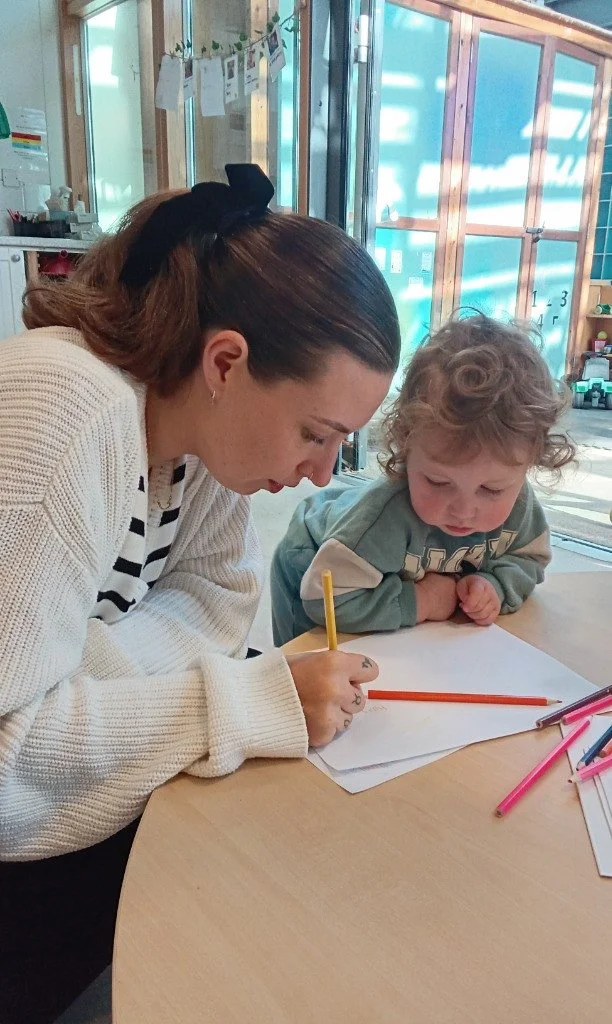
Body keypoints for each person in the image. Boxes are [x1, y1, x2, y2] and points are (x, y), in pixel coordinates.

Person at [0, 163, 400, 1024]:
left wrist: (82, 674)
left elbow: (218, 604)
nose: (320, 474)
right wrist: (247, 703)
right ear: (228, 360)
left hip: (77, 814)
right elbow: (6, 764)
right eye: (315, 433)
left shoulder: (197, 429)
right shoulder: (68, 411)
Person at [271, 313, 576, 646]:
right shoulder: (383, 518)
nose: (463, 511)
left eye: (491, 489)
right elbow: (324, 600)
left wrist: (497, 586)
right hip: (319, 564)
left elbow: (528, 558)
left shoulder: (520, 507)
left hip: (378, 577)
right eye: (438, 482)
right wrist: (424, 600)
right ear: (406, 448)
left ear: (527, 465)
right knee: (307, 679)